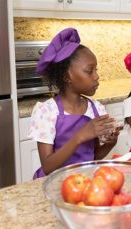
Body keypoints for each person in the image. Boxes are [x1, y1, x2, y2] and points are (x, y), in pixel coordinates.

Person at [28, 28, 121, 179]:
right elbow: (48, 166)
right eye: (90, 71)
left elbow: (93, 158)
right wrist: (80, 136)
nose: (97, 76)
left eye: (96, 70)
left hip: (82, 181)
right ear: (67, 76)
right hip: (54, 183)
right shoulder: (47, 112)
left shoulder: (96, 109)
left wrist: (110, 143)